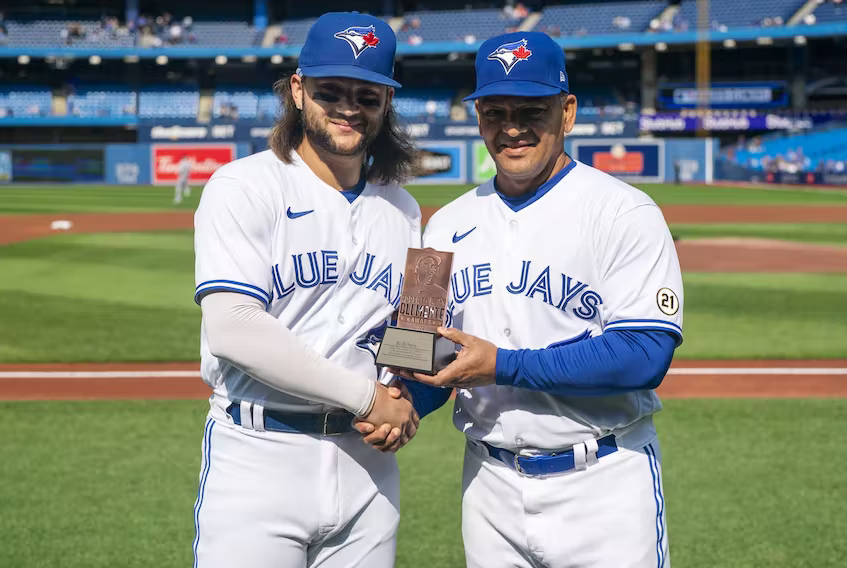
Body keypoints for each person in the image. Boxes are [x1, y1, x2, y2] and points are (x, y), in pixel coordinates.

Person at [403, 31, 684, 567]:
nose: (512, 128)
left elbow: (646, 353)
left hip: (603, 482)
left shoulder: (624, 211)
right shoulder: (444, 225)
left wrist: (503, 365)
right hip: (488, 484)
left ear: (568, 111)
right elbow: (421, 347)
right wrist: (400, 405)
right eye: (495, 111)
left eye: (531, 110)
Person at [191, 12, 423, 568]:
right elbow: (233, 328)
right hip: (259, 456)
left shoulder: (405, 210)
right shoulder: (245, 185)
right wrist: (370, 398)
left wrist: (408, 398)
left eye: (367, 95)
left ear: (386, 103)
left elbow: (411, 337)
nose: (349, 107)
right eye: (331, 91)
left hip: (367, 468)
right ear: (298, 90)